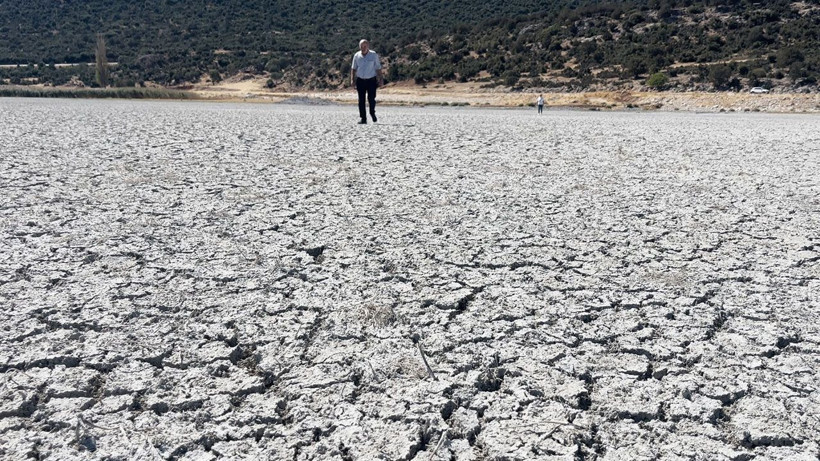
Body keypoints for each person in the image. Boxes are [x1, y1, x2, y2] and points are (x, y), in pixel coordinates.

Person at [350, 39, 383, 124]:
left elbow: (378, 68)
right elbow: (353, 69)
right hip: (360, 80)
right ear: (359, 47)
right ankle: (363, 118)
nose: (363, 48)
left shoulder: (373, 55)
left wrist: (381, 79)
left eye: (365, 46)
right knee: (361, 100)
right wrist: (352, 80)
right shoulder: (357, 56)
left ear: (368, 46)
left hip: (371, 80)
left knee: (371, 99)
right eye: (362, 46)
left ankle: (372, 112)